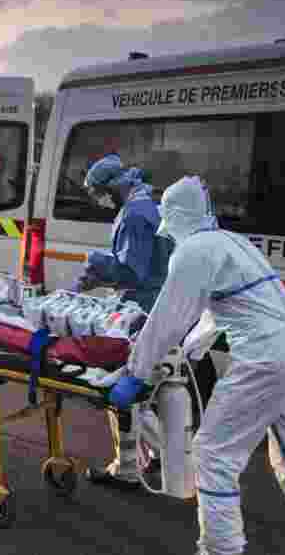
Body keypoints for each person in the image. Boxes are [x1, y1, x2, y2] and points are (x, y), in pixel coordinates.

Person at [110, 176, 285, 555]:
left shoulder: (193, 252)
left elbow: (168, 317)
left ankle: (221, 550)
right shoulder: (232, 243)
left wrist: (136, 373)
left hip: (265, 360)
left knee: (213, 453)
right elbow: (215, 313)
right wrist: (190, 353)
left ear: (177, 219)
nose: (168, 238)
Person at [72, 153, 177, 491]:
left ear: (112, 187)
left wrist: (96, 265)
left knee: (119, 389)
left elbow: (132, 270)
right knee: (140, 392)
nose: (100, 200)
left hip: (144, 308)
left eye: (98, 193)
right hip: (156, 305)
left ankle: (147, 461)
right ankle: (145, 461)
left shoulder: (133, 214)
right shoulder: (148, 203)